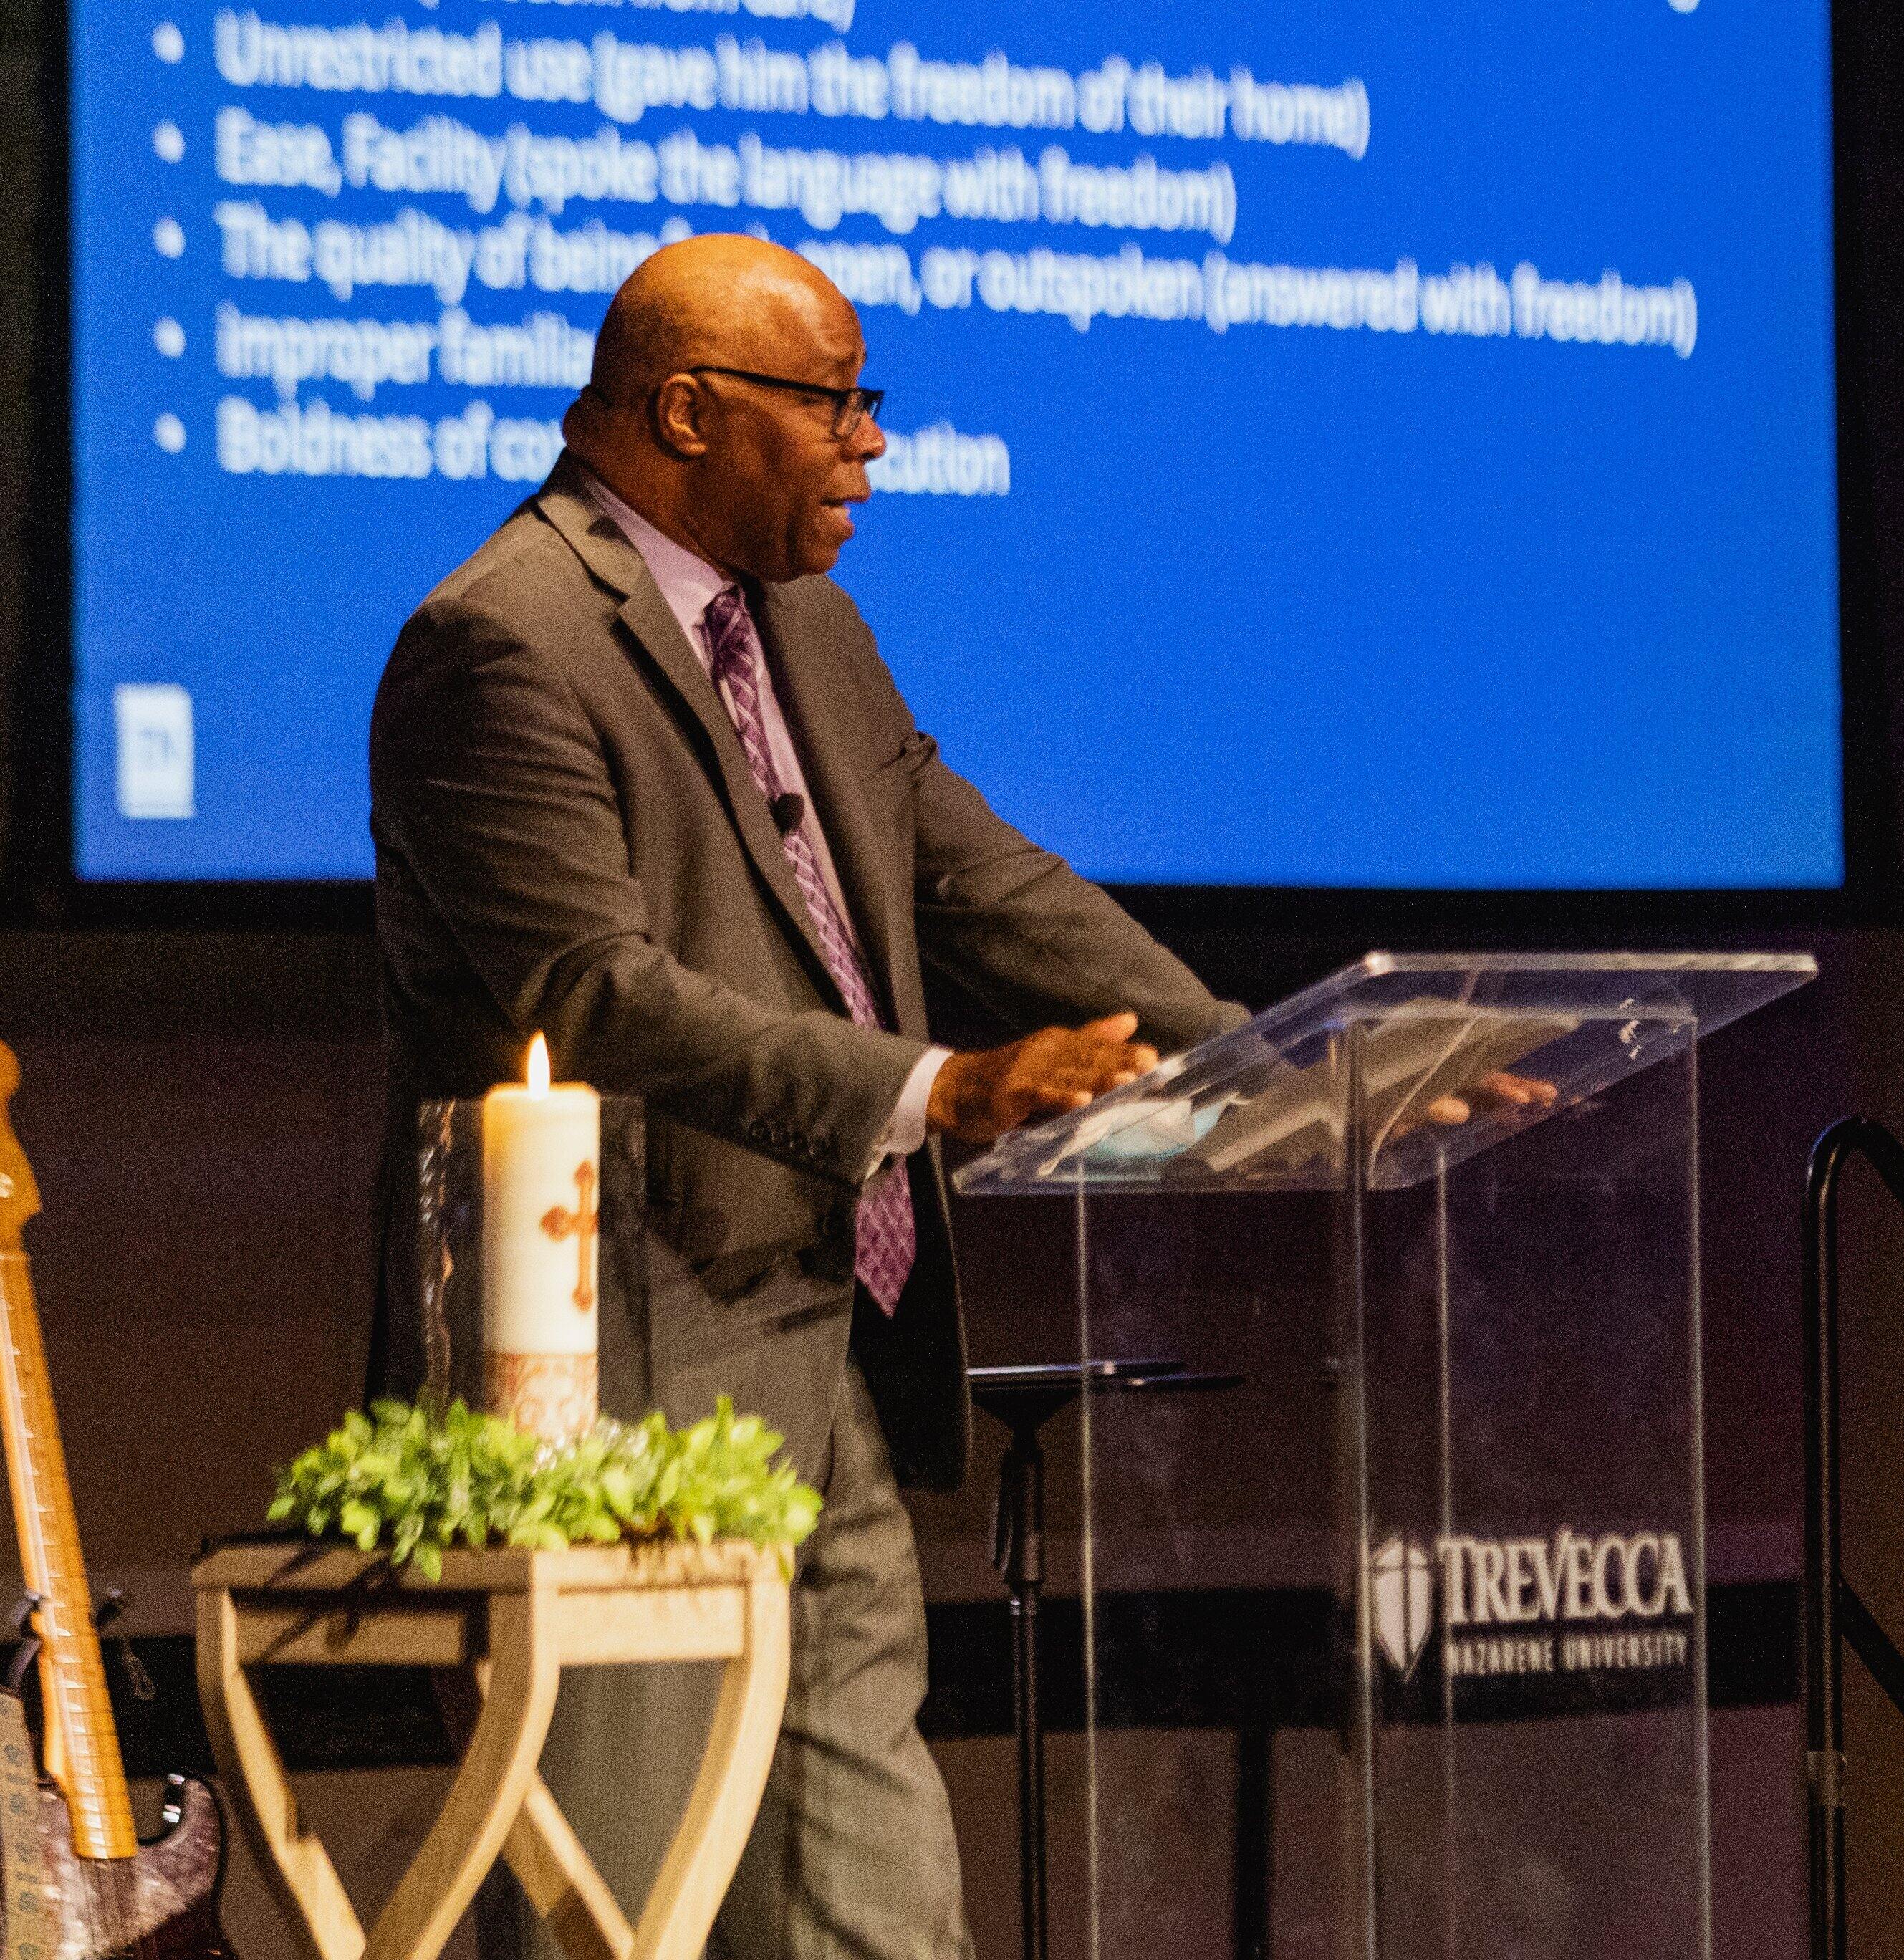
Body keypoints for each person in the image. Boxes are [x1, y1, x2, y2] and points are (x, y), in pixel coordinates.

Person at [367, 232, 1249, 1960]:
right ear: (687, 412)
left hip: (837, 1345)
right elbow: (594, 992)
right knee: (609, 1895)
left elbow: (979, 881)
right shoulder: (500, 642)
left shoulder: (814, 630)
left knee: (872, 1886)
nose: (871, 442)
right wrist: (938, 1085)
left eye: (871, 401)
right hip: (618, 1379)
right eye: (832, 400)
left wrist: (1250, 1051)